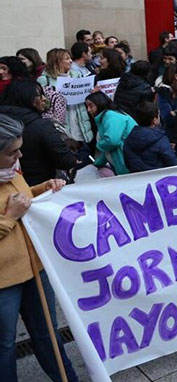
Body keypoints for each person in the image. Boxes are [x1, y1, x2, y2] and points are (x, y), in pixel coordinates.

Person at [0, 115, 79, 382]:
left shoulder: (11, 171)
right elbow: (14, 210)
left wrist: (42, 189)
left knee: (48, 333)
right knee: (5, 346)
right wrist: (9, 217)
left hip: (34, 268)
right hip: (4, 282)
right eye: (12, 152)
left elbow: (23, 199)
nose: (19, 155)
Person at [0, 80, 77, 186]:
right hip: (42, 188)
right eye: (40, 95)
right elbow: (65, 160)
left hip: (25, 187)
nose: (44, 99)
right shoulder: (41, 126)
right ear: (29, 98)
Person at [37, 49, 92, 145]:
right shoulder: (44, 80)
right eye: (67, 59)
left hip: (80, 123)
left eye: (70, 58)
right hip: (60, 126)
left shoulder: (78, 76)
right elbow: (41, 104)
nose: (71, 61)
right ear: (56, 61)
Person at [85, 92, 137, 175]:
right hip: (125, 162)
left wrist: (98, 145)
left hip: (128, 162)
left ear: (99, 103)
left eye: (91, 106)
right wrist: (99, 162)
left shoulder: (111, 116)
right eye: (87, 107)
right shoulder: (107, 117)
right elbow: (109, 147)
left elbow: (112, 141)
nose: (88, 110)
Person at [123, 101, 177, 173]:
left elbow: (127, 163)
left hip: (137, 179)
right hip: (159, 178)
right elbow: (172, 162)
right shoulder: (160, 139)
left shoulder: (129, 139)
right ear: (155, 120)